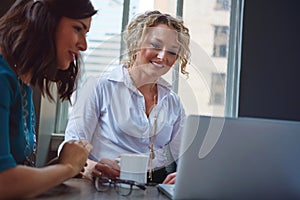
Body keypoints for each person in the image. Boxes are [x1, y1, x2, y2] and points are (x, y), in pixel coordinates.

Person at [61, 10, 191, 184]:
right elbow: (70, 147)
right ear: (136, 44)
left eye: (172, 52)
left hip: (151, 189)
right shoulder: (99, 87)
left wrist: (184, 175)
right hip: (102, 187)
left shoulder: (173, 102)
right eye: (156, 46)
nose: (163, 57)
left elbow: (184, 156)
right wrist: (92, 167)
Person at [0, 0, 97, 199]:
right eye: (78, 29)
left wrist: (64, 165)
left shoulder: (21, 80)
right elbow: (4, 182)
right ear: (46, 22)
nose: (84, 45)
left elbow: (17, 168)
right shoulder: (2, 78)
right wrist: (67, 167)